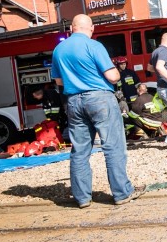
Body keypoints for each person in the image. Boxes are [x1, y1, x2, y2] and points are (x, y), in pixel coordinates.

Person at [50, 14, 145, 208]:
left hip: (74, 102)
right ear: (91, 28)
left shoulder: (59, 49)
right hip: (100, 99)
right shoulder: (94, 45)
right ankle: (121, 192)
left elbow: (59, 81)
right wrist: (117, 74)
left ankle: (82, 198)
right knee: (113, 146)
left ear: (72, 28)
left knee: (80, 151)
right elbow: (111, 76)